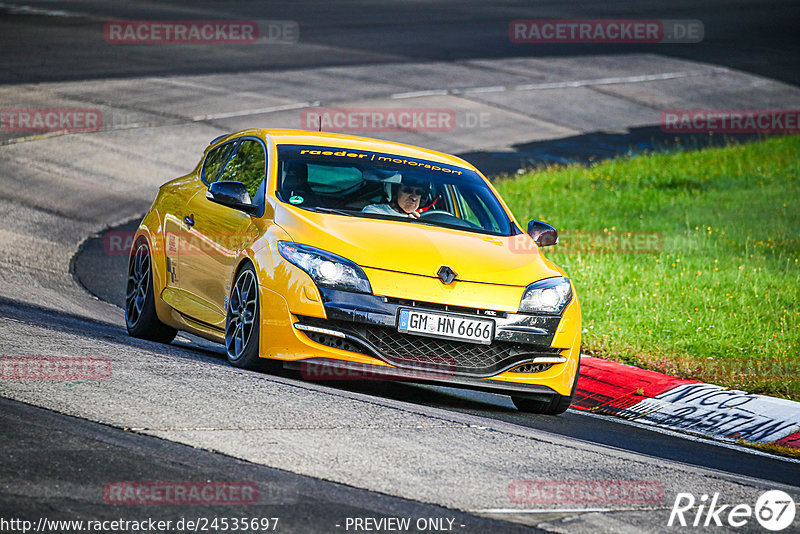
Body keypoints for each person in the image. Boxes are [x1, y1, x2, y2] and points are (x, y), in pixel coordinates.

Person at [362, 176, 428, 218]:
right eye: (407, 191)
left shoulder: (423, 219)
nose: (414, 198)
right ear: (394, 193)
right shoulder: (374, 212)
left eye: (419, 192)